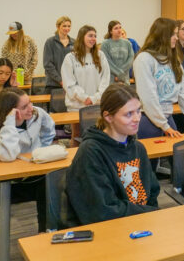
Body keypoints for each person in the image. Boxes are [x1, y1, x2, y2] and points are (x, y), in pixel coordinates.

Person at [64, 84, 160, 227]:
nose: (137, 118)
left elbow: (152, 192)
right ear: (108, 117)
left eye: (138, 111)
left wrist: (150, 217)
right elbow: (103, 210)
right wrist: (147, 213)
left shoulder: (138, 148)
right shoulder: (91, 152)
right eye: (129, 114)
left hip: (139, 223)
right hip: (108, 229)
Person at [0, 88, 55, 232]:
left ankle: (46, 231)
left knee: (54, 182)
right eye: (24, 107)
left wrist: (41, 149)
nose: (31, 108)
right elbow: (8, 155)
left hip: (34, 177)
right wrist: (10, 124)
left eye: (30, 102)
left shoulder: (37, 114)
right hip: (8, 185)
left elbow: (49, 129)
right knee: (49, 185)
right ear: (10, 111)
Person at [134, 18, 184, 139]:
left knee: (175, 154)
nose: (176, 38)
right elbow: (148, 97)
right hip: (149, 119)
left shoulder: (173, 60)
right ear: (162, 36)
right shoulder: (144, 59)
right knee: (153, 157)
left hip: (167, 118)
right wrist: (164, 126)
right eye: (173, 34)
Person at [62, 25, 110, 116]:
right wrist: (84, 98)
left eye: (95, 36)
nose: (93, 38)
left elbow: (105, 79)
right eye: (90, 35)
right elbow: (69, 83)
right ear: (81, 37)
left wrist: (95, 98)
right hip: (76, 107)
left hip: (97, 105)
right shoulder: (70, 58)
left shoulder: (100, 55)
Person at [43, 16, 74, 94]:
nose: (67, 28)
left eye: (69, 26)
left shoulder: (74, 42)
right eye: (64, 26)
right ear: (58, 26)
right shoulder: (50, 42)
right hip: (53, 84)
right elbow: (48, 64)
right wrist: (60, 80)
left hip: (70, 84)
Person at [101, 20, 135, 85]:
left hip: (124, 80)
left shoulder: (127, 43)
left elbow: (130, 59)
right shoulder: (105, 44)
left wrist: (120, 74)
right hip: (111, 81)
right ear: (111, 31)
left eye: (120, 27)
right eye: (116, 28)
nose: (119, 30)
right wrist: (118, 74)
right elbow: (107, 62)